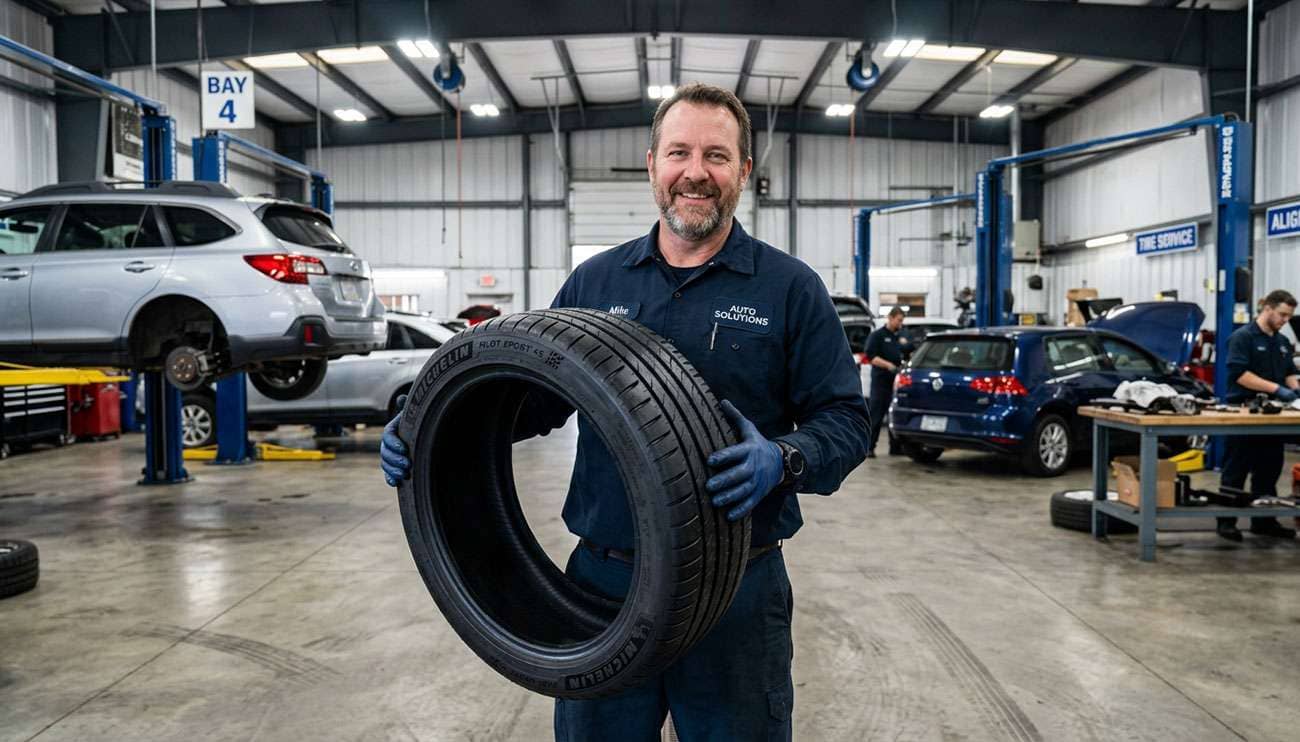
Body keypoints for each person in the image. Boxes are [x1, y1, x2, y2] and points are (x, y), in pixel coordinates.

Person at [380, 83, 870, 740]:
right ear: (652, 165)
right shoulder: (595, 281)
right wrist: (430, 431)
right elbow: (532, 398)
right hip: (603, 584)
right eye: (679, 153)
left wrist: (783, 459)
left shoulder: (790, 288)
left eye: (717, 156)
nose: (695, 172)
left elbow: (845, 420)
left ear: (744, 172)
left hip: (735, 591)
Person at [1216, 289, 1299, 542]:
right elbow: (1240, 374)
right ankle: (1226, 523)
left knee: (1268, 470)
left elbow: (1288, 372)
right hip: (1243, 412)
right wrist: (1277, 389)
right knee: (1235, 470)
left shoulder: (1282, 342)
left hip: (1272, 417)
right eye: (1282, 315)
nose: (1285, 320)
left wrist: (1294, 390)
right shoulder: (1242, 338)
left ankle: (1264, 522)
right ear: (1268, 308)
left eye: (1288, 316)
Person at [863, 306, 908, 458]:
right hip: (881, 382)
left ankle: (895, 448)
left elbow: (907, 351)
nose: (900, 324)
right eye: (899, 320)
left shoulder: (899, 337)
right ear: (890, 317)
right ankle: (869, 447)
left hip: (895, 382)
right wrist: (888, 365)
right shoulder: (877, 336)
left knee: (893, 416)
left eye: (902, 321)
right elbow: (871, 356)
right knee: (876, 416)